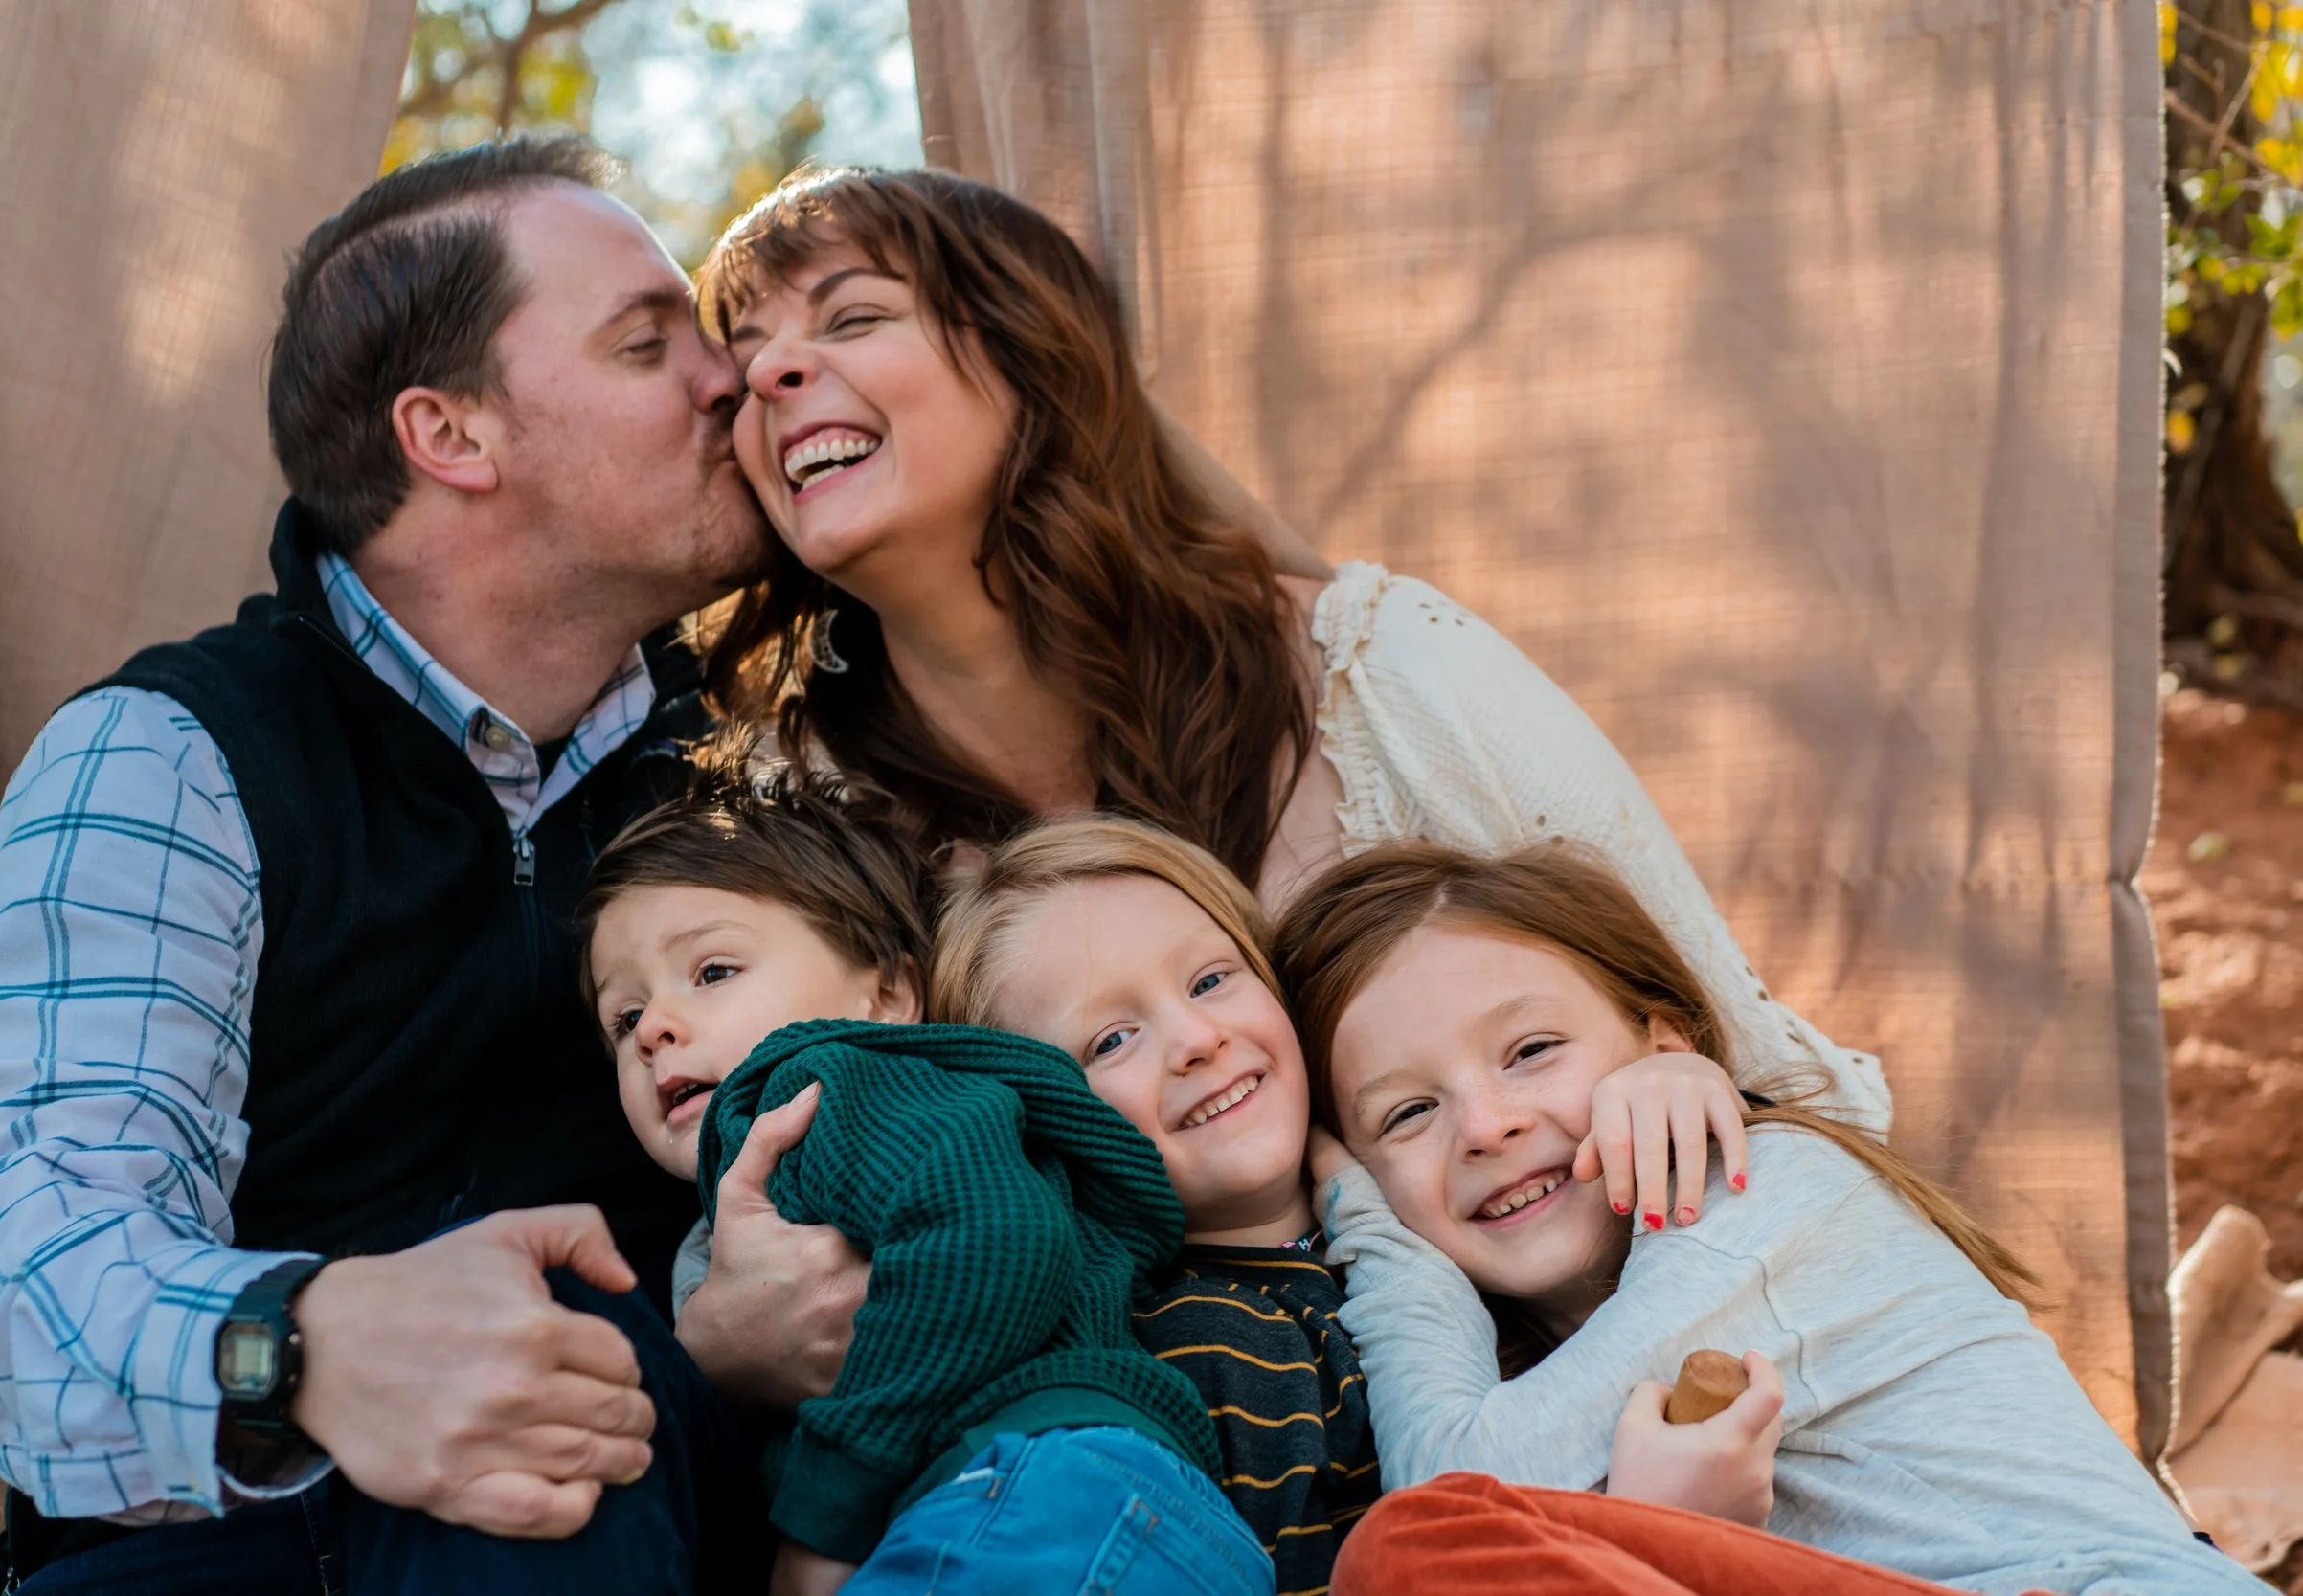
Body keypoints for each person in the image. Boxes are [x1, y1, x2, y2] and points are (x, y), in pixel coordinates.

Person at [0, 138, 858, 1592]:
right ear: (451, 434)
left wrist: (714, 1343)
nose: (730, 377)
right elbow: (10, 1276)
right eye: (643, 343)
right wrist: (304, 1345)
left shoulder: (758, 771)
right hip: (233, 1554)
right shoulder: (173, 754)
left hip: (648, 1508)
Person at [694, 166, 1892, 1223]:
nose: (776, 373)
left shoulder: (1375, 666)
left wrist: (1667, 1081)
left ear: (1034, 353)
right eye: (744, 367)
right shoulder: (788, 821)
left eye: (854, 317)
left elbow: (1740, 1062)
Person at [1271, 841, 2272, 1596]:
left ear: (1666, 1046)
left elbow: (1450, 1491)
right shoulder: (1535, 1370)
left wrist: (1369, 1224)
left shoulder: (1760, 1187)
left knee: (1413, 1554)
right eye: (1407, 1113)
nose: (1487, 1124)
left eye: (1532, 1050)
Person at [924, 813, 1760, 1596]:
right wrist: (1650, 1536)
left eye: (1211, 979)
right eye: (1111, 1039)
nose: (1197, 1039)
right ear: (1044, 1114)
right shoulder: (1210, 1351)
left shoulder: (1430, 1186)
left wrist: (1662, 1080)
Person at [579, 769, 1272, 1596]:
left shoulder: (818, 1085)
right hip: (1108, 1515)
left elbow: (997, 1238)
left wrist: (822, 1523)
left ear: (888, 991)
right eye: (624, 1017)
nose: (654, 1029)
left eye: (713, 970)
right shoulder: (754, 1197)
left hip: (1033, 1490)